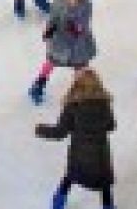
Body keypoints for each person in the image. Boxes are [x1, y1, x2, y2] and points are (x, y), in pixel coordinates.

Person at [34, 68, 116, 209]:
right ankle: (108, 206)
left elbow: (60, 132)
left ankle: (58, 202)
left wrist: (40, 129)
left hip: (79, 152)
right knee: (104, 183)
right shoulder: (104, 104)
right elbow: (111, 125)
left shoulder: (73, 106)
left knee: (71, 175)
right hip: (100, 155)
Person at [29, 0, 97, 105]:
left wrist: (76, 28)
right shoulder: (58, 0)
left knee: (80, 67)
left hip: (78, 42)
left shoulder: (86, 4)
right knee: (50, 62)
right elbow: (53, 17)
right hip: (60, 39)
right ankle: (39, 84)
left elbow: (84, 22)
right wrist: (49, 29)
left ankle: (79, 90)